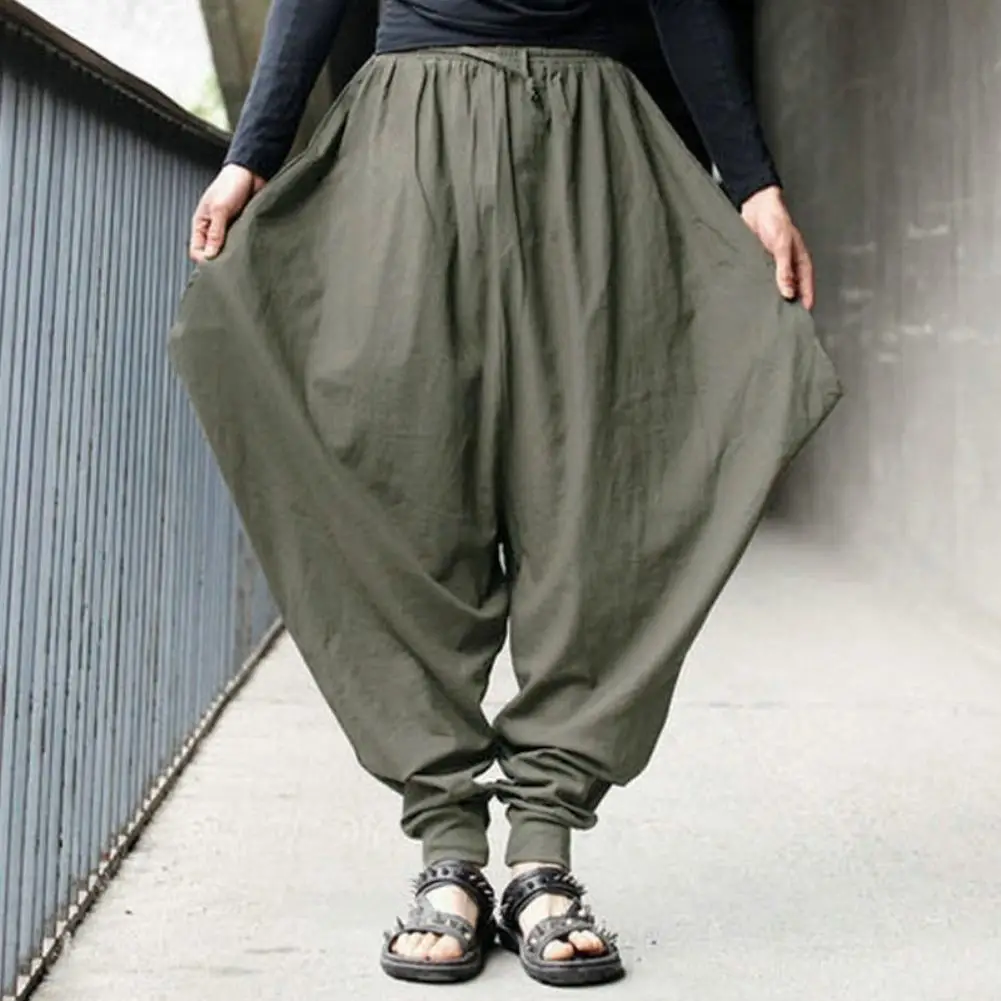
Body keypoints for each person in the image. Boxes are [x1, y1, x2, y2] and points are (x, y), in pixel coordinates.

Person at [171, 0, 841, 987]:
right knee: (405, 489)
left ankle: (541, 853)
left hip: (593, 149)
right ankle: (446, 846)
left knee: (594, 501)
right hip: (408, 139)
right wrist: (250, 155)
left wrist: (750, 183)